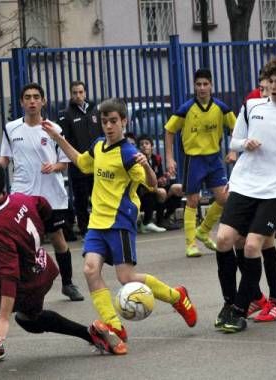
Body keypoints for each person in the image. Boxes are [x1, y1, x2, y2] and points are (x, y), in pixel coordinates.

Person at [42, 98, 197, 355]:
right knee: (91, 270)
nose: (109, 126)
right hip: (97, 221)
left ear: (123, 121)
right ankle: (115, 327)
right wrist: (58, 139)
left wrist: (146, 165)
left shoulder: (128, 153)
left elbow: (150, 184)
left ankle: (177, 296)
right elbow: (82, 163)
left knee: (126, 278)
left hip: (120, 221)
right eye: (104, 122)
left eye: (113, 121)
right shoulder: (99, 146)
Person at [0, 160, 111, 364]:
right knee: (29, 319)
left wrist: (2, 319)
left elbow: (9, 275)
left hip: (22, 286)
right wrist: (49, 231)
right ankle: (91, 334)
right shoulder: (19, 199)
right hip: (43, 273)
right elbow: (42, 203)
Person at [214, 58, 276, 333]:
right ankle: (229, 302)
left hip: (275, 191)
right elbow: (234, 141)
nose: (273, 86)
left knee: (252, 246)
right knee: (223, 240)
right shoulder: (251, 106)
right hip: (245, 184)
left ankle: (239, 309)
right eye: (270, 81)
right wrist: (245, 143)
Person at [0, 83, 84, 302]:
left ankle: (68, 283)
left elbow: (64, 163)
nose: (32, 101)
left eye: (36, 97)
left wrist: (53, 167)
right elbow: (4, 159)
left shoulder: (54, 129)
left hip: (50, 196)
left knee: (57, 239)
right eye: (27, 97)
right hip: (22, 194)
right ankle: (20, 287)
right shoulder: (11, 129)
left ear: (43, 101)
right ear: (21, 102)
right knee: (20, 242)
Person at [164, 68, 237, 257]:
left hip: (214, 159)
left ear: (211, 86)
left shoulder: (221, 108)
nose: (202, 88)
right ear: (194, 87)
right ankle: (191, 244)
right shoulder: (186, 109)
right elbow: (169, 131)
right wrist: (170, 158)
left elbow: (237, 129)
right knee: (193, 200)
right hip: (194, 159)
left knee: (224, 198)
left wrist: (232, 150)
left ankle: (203, 231)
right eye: (198, 84)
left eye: (205, 84)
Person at [58, 81, 103, 238]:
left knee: (98, 196)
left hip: (97, 162)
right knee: (81, 198)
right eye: (75, 92)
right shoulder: (66, 114)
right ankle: (84, 229)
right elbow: (65, 140)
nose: (78, 95)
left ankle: (100, 226)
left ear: (85, 93)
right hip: (78, 163)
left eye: (81, 92)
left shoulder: (95, 110)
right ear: (71, 94)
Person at [137, 134, 182, 231]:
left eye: (147, 143)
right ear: (139, 148)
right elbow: (141, 182)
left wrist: (164, 178)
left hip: (156, 187)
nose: (144, 146)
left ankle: (166, 218)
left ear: (152, 146)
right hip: (143, 191)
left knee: (178, 188)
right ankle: (151, 221)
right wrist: (157, 186)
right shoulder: (138, 161)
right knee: (162, 192)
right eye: (141, 144)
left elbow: (159, 177)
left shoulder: (156, 159)